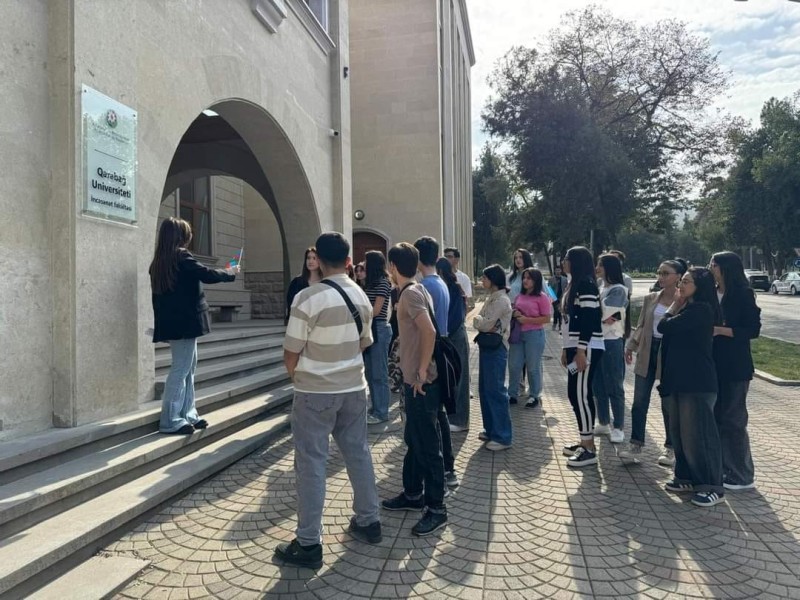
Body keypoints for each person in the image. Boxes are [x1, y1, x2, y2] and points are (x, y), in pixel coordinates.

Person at [275, 232, 381, 568]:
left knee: (311, 463)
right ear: (349, 261)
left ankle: (308, 543)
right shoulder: (362, 296)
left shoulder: (307, 298)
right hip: (353, 388)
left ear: (318, 260)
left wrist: (300, 375)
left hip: (315, 392)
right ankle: (368, 520)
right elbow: (366, 342)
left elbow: (290, 351)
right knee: (358, 454)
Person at [381, 242, 448, 537]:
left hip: (421, 382)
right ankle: (411, 493)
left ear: (393, 267)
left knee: (428, 446)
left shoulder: (409, 294)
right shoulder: (417, 289)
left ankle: (436, 509)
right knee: (413, 438)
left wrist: (421, 372)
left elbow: (429, 332)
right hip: (415, 380)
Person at [150, 217, 238, 434]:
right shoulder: (181, 256)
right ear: (180, 236)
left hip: (174, 323)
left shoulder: (161, 260)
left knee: (188, 367)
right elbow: (205, 274)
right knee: (182, 369)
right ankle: (170, 419)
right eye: (187, 233)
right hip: (185, 323)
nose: (190, 237)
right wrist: (229, 273)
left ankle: (188, 413)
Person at [657, 267, 725, 507]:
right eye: (682, 281)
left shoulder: (701, 310)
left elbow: (664, 327)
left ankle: (711, 485)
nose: (681, 286)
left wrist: (673, 306)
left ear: (699, 286)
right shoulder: (690, 308)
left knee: (700, 435)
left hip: (697, 382)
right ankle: (685, 476)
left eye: (686, 282)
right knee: (680, 433)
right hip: (679, 380)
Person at [619, 259, 688, 465]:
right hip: (648, 350)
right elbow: (640, 325)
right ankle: (636, 445)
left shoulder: (684, 300)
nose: (661, 276)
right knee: (639, 402)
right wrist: (631, 346)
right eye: (659, 272)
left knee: (668, 404)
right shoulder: (651, 298)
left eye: (666, 273)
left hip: (670, 354)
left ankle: (671, 448)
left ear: (678, 277)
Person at [709, 251, 761, 491]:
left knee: (733, 420)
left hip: (735, 366)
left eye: (714, 265)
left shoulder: (742, 294)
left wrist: (721, 330)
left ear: (725, 268)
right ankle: (722, 468)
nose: (710, 268)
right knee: (716, 417)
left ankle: (742, 475)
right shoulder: (710, 293)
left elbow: (752, 329)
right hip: (712, 364)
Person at [414, 236, 459, 490]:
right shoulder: (438, 282)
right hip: (440, 349)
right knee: (438, 415)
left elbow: (426, 330)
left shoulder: (426, 286)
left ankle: (442, 471)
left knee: (432, 418)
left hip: (431, 354)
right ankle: (447, 467)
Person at [560, 246, 605, 468]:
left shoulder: (586, 284)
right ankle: (584, 440)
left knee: (581, 395)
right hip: (575, 346)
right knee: (574, 393)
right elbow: (569, 321)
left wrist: (580, 349)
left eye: (567, 259)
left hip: (586, 346)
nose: (563, 262)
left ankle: (589, 447)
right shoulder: (573, 284)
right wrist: (565, 348)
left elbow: (589, 318)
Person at [473, 264, 513, 451]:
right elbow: (480, 320)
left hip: (497, 348)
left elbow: (484, 322)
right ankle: (491, 429)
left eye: (485, 277)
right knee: (485, 388)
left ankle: (503, 436)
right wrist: (481, 322)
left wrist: (481, 322)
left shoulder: (501, 300)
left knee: (496, 390)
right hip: (487, 346)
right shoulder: (493, 298)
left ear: (494, 279)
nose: (482, 280)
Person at [592, 253, 628, 444]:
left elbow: (609, 315)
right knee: (597, 384)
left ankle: (619, 426)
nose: (597, 267)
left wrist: (592, 315)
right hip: (596, 340)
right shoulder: (600, 288)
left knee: (614, 384)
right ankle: (603, 421)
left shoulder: (619, 290)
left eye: (600, 264)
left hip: (612, 341)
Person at [508, 268, 551, 408]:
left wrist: (527, 319)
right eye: (524, 278)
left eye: (529, 278)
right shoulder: (520, 295)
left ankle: (534, 395)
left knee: (533, 367)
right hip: (517, 334)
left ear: (536, 280)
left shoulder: (542, 297)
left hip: (534, 335)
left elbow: (547, 318)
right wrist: (514, 312)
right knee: (514, 365)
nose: (525, 280)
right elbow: (515, 307)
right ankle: (512, 394)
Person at [436, 257, 470, 431]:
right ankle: (453, 417)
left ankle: (461, 420)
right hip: (450, 336)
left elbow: (455, 317)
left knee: (461, 379)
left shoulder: (454, 289)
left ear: (441, 271)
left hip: (455, 336)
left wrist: (444, 332)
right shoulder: (448, 287)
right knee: (452, 378)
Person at [364, 250, 393, 425]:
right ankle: (375, 407)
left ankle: (382, 412)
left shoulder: (383, 283)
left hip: (379, 328)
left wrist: (359, 312)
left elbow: (376, 310)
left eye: (367, 262)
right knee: (370, 372)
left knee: (379, 373)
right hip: (370, 328)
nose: (364, 265)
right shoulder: (370, 283)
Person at [285, 247, 322, 325]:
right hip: (301, 324)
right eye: (308, 258)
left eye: (314, 258)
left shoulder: (325, 282)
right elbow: (291, 305)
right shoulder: (297, 282)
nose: (310, 261)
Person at [608, 249, 633, 339]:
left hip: (618, 321)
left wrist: (612, 320)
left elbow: (625, 304)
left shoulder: (626, 279)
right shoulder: (600, 280)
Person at [549, 265, 568, 331]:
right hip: (554, 297)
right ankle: (555, 323)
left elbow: (566, 288)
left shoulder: (565, 279)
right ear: (554, 271)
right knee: (557, 311)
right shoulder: (551, 279)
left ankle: (559, 325)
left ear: (561, 270)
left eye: (559, 270)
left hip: (562, 297)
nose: (558, 271)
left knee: (560, 311)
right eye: (556, 270)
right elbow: (549, 289)